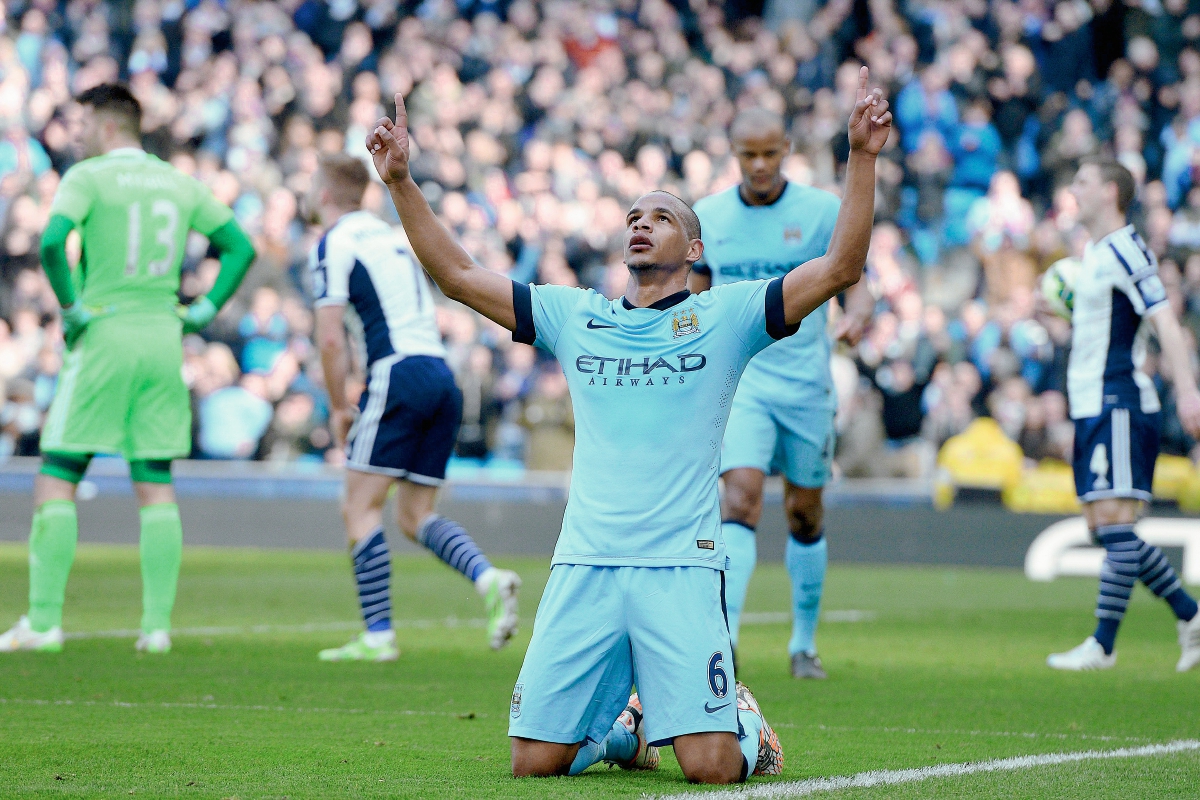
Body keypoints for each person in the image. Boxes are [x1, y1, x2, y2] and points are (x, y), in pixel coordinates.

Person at [367, 67, 891, 783]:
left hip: (679, 565)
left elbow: (840, 267)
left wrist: (862, 157)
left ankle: (741, 721)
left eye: (662, 217)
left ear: (696, 250)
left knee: (710, 768)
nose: (641, 223)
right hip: (586, 562)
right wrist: (400, 181)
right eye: (634, 218)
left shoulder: (728, 317)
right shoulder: (576, 316)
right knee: (533, 763)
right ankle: (628, 734)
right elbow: (458, 276)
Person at [0, 84, 256, 654]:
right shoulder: (179, 181)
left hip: (105, 332)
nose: (78, 131)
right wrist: (202, 312)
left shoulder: (87, 177)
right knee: (155, 482)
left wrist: (70, 309)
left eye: (83, 120)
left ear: (108, 123)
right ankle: (157, 628)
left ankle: (43, 624)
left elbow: (51, 243)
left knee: (58, 472)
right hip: (164, 338)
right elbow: (239, 245)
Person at [307, 154, 521, 662]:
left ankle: (378, 636)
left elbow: (331, 338)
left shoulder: (334, 242)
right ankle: (488, 578)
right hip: (441, 376)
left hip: (397, 372)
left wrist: (339, 406)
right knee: (415, 513)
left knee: (358, 507)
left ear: (322, 195)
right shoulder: (390, 237)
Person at [688, 108, 875, 679]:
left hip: (805, 385)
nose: (761, 165)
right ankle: (727, 639)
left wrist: (858, 318)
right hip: (742, 382)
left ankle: (803, 644)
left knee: (804, 513)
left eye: (771, 153)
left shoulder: (821, 212)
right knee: (740, 498)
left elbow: (855, 279)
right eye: (750, 154)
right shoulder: (709, 216)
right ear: (734, 153)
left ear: (787, 149)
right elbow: (695, 299)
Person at [1046, 158, 1200, 672]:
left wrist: (1187, 391)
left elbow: (1165, 323)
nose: (1074, 187)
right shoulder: (1093, 255)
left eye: (1083, 180)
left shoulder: (1127, 250)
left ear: (1110, 191)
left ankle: (1103, 645)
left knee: (1114, 525)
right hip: (1091, 402)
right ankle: (1190, 614)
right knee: (1101, 527)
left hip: (1121, 400)